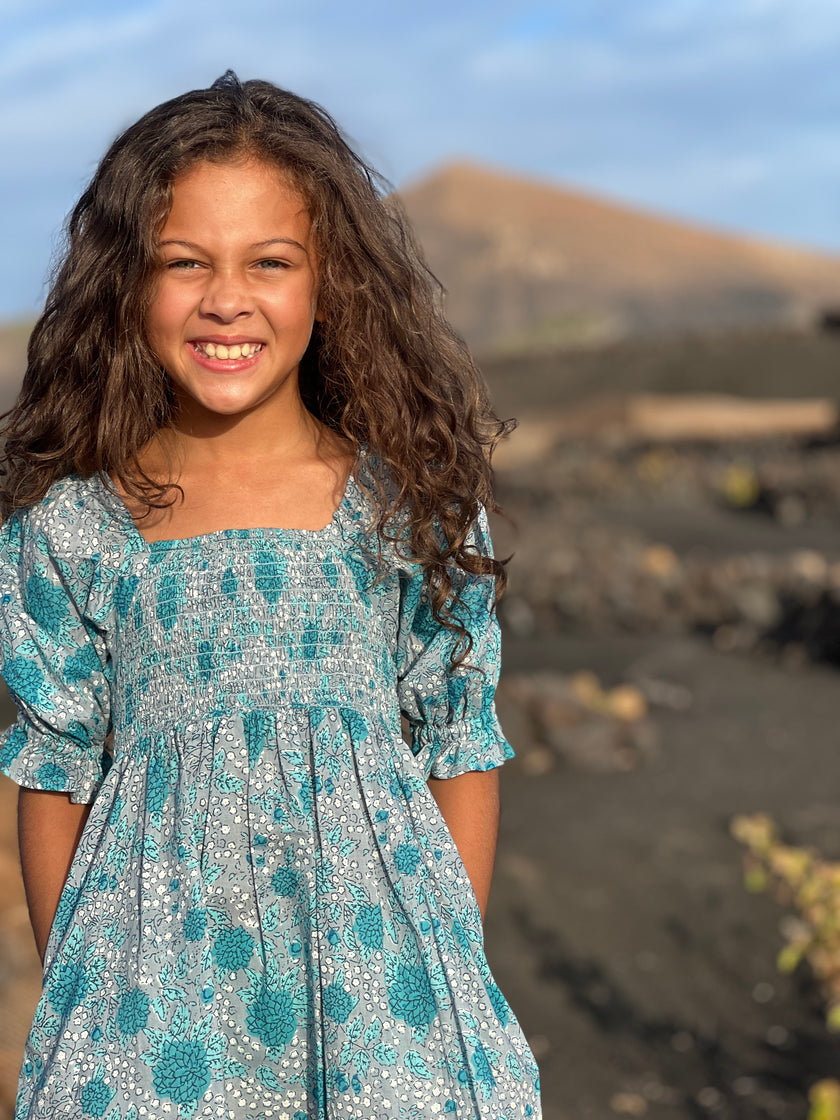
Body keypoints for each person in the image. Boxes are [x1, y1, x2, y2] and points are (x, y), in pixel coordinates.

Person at [0, 72, 541, 1119]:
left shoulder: (405, 509)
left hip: (388, 1006)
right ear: (126, 282)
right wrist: (80, 994)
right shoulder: (75, 525)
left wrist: (445, 972)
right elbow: (52, 773)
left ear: (329, 281)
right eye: (183, 262)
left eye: (270, 262)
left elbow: (459, 741)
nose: (227, 298)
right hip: (149, 1017)